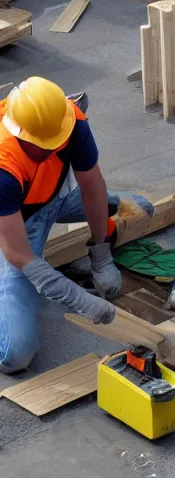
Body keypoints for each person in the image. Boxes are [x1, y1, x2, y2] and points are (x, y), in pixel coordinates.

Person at [0, 77, 120, 374]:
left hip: (48, 196)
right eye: (44, 145)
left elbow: (92, 185)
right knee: (17, 354)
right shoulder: (3, 164)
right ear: (21, 135)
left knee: (111, 201)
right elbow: (19, 254)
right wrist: (79, 300)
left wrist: (101, 252)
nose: (54, 147)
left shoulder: (67, 120)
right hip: (14, 222)